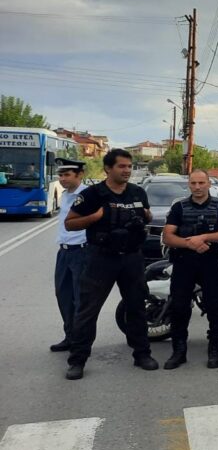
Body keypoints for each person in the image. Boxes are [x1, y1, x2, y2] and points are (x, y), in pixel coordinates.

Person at [64, 149, 157, 379]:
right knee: (87, 311)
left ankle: (142, 354)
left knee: (136, 307)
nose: (127, 170)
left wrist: (147, 216)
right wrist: (94, 218)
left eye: (129, 166)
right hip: (101, 257)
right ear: (108, 168)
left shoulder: (137, 192)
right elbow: (70, 224)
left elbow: (147, 215)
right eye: (121, 166)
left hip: (132, 258)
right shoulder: (93, 194)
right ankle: (77, 360)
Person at [161, 169, 218, 370]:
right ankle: (179, 352)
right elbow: (167, 236)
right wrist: (190, 244)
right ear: (189, 185)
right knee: (179, 308)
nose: (197, 187)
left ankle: (214, 351)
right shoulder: (179, 207)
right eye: (193, 183)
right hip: (184, 261)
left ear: (208, 184)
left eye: (201, 183)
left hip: (210, 262)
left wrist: (204, 238)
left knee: (215, 307)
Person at [50, 158, 89, 353]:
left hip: (81, 252)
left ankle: (79, 343)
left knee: (79, 299)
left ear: (79, 175)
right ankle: (69, 336)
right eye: (61, 175)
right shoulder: (65, 195)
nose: (62, 179)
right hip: (64, 252)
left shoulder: (87, 196)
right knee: (63, 295)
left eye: (67, 175)